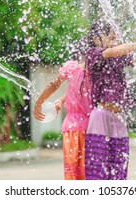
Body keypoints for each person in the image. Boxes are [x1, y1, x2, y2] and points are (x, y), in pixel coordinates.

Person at [84, 19, 136, 180]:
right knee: (98, 167)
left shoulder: (118, 57)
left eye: (115, 36)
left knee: (119, 166)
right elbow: (111, 52)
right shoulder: (93, 54)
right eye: (110, 36)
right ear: (95, 39)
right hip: (101, 115)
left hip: (118, 117)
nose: (114, 40)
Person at [33, 49, 92, 180]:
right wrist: (60, 100)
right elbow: (79, 90)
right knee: (90, 173)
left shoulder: (73, 68)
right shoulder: (97, 71)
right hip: (93, 127)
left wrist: (39, 102)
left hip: (74, 130)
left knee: (74, 174)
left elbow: (54, 85)